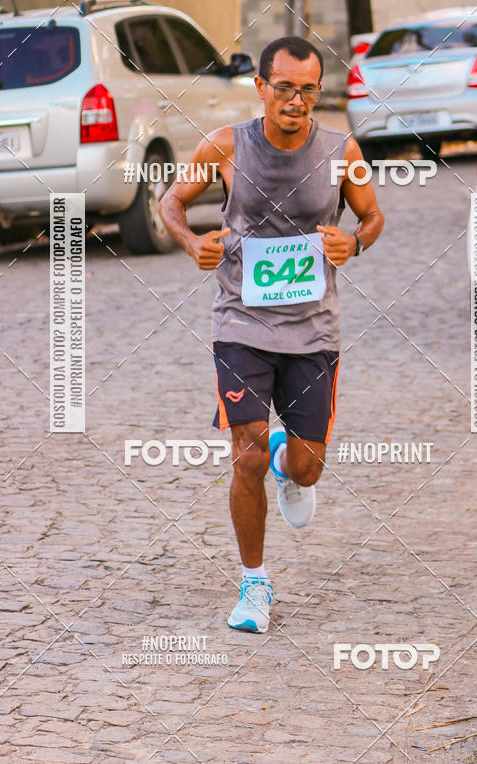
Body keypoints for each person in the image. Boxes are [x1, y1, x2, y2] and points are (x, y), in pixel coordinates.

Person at [159, 36, 384, 634]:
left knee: (307, 468)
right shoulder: (227, 145)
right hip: (240, 323)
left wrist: (355, 241)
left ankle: (293, 465)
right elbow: (171, 201)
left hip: (313, 331)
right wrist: (192, 242)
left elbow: (372, 214)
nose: (295, 101)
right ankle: (254, 583)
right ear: (261, 87)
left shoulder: (341, 150)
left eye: (308, 90)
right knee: (248, 450)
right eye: (283, 87)